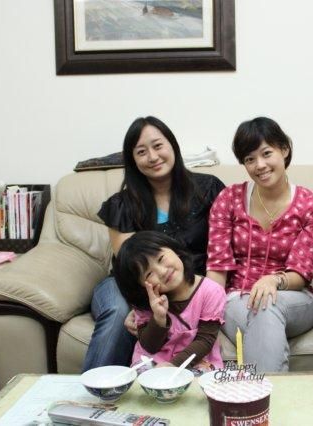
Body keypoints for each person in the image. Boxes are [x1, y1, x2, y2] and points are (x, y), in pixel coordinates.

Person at [82, 116, 225, 372]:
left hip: (190, 284)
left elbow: (221, 253)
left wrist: (204, 296)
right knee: (118, 312)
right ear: (132, 160)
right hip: (130, 287)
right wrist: (140, 306)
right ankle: (97, 389)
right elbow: (129, 269)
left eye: (158, 146)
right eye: (141, 152)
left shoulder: (208, 189)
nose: (152, 157)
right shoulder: (122, 205)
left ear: (172, 145)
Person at [206, 117, 313, 373]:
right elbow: (217, 268)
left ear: (284, 149)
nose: (259, 165)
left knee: (267, 303)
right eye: (250, 159)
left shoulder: (309, 205)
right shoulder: (228, 199)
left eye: (266, 153)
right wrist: (204, 314)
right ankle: (270, 394)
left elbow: (301, 274)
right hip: (237, 298)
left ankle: (257, 394)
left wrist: (273, 281)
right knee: (263, 312)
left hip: (293, 297)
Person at [113, 231, 225, 372]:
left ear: (174, 249)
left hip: (195, 360)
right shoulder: (148, 301)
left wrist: (173, 366)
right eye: (149, 273)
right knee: (142, 381)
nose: (162, 272)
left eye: (160, 259)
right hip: (153, 361)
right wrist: (158, 318)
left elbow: (205, 340)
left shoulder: (211, 291)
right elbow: (149, 346)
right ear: (141, 286)